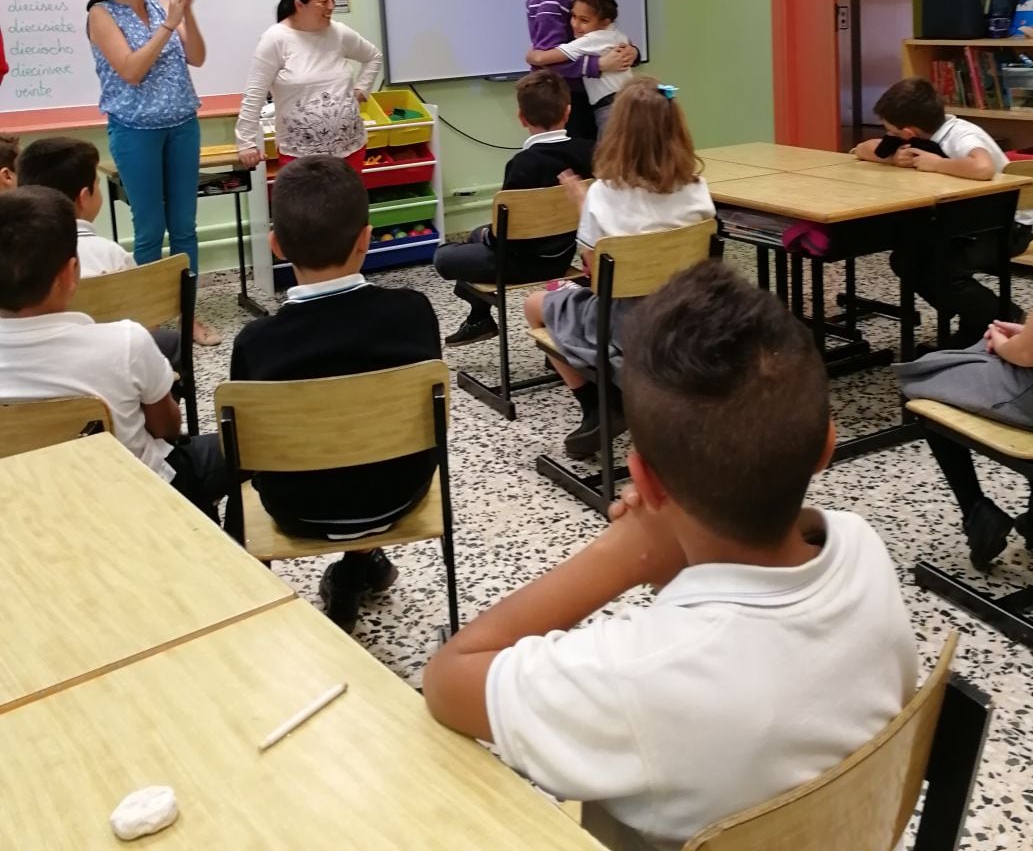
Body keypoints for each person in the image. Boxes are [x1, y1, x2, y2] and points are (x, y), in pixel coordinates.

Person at [425, 262, 918, 851]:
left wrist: (623, 553)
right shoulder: (861, 545)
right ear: (827, 445)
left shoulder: (634, 676)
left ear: (644, 482)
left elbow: (448, 679)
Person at [230, 156, 441, 634]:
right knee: (361, 449)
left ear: (277, 246)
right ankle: (359, 564)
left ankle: (350, 573)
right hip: (400, 491)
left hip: (296, 507)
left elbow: (243, 457)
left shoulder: (257, 342)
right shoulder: (413, 311)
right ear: (367, 239)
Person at [896, 121, 1033, 570]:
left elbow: (1029, 356)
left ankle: (980, 512)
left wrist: (1003, 342)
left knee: (921, 377)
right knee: (970, 356)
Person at [0, 187, 226, 518]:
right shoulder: (126, 342)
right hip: (134, 495)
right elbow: (166, 428)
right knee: (239, 444)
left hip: (27, 503)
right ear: (70, 272)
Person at [524, 78, 715, 457]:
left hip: (627, 328)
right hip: (687, 322)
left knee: (534, 305)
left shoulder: (603, 194)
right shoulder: (697, 188)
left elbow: (596, 277)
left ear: (618, 132)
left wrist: (581, 204)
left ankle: (598, 406)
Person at [86, 0, 218, 346]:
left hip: (182, 126)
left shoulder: (162, 5)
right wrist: (169, 25)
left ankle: (187, 313)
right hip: (135, 132)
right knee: (149, 229)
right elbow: (130, 70)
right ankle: (147, 321)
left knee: (184, 227)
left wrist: (186, 13)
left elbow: (196, 56)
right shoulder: (101, 15)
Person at [854, 77, 1033, 346]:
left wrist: (937, 164)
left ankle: (1002, 315)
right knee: (905, 259)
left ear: (909, 132)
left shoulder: (961, 135)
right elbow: (861, 149)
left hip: (1007, 228)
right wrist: (892, 158)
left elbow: (982, 168)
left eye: (889, 129)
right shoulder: (925, 133)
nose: (886, 133)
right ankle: (973, 316)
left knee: (944, 268)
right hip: (968, 225)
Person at [434, 70, 594, 346]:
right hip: (563, 255)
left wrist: (488, 237)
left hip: (519, 263)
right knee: (476, 235)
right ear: (568, 112)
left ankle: (480, 318)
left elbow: (504, 237)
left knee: (445, 256)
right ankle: (478, 318)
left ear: (521, 118)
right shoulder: (590, 151)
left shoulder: (522, 164)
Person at [16, 136, 181, 369]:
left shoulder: (12, 253)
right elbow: (146, 323)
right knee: (168, 343)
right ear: (85, 197)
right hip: (107, 366)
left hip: (26, 366)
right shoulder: (110, 254)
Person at [234, 0, 382, 174]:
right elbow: (255, 93)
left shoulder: (338, 33)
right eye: (324, 1)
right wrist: (246, 143)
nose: (331, 6)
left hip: (351, 150)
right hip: (300, 157)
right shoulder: (275, 39)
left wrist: (361, 90)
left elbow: (373, 56)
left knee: (348, 206)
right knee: (308, 207)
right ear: (299, 5)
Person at [526, 0, 637, 139]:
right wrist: (599, 65)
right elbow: (546, 58)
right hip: (565, 96)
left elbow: (607, 32)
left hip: (589, 93)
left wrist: (632, 52)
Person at [526, 0, 631, 136]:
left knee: (608, 155)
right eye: (573, 16)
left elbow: (540, 59)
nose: (575, 24)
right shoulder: (617, 35)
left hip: (611, 108)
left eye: (584, 20)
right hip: (629, 102)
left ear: (604, 23)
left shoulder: (591, 40)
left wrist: (530, 54)